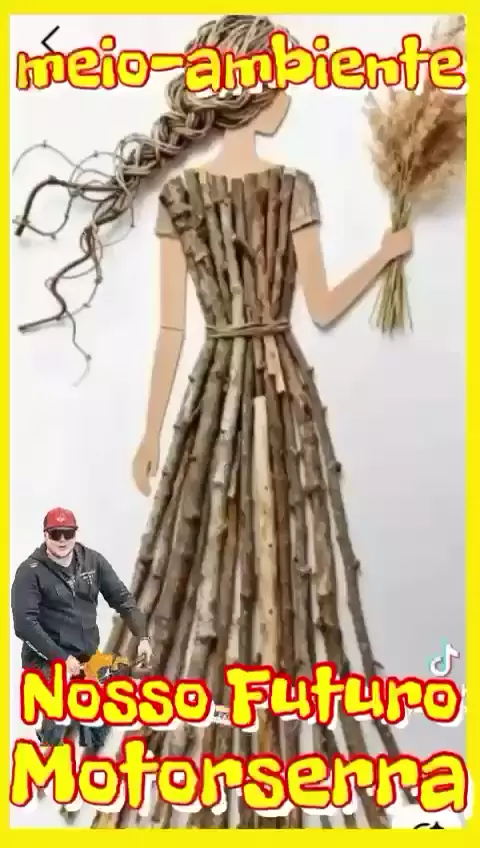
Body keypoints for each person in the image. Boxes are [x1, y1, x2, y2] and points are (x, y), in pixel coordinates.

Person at [13, 15, 413, 829]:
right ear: (253, 92)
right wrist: (386, 251)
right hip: (273, 383)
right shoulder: (284, 188)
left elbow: (175, 332)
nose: (290, 93)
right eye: (281, 78)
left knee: (221, 557)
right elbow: (319, 305)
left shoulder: (189, 196)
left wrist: (152, 432)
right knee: (258, 561)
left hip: (221, 389)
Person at [11, 506, 153, 746]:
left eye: (68, 533)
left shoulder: (92, 561)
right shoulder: (29, 572)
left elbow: (122, 598)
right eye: (55, 534)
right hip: (47, 661)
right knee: (58, 716)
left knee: (108, 696)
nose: (62, 540)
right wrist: (61, 658)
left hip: (86, 658)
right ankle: (47, 748)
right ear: (45, 535)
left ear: (76, 533)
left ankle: (92, 751)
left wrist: (143, 637)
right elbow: (24, 624)